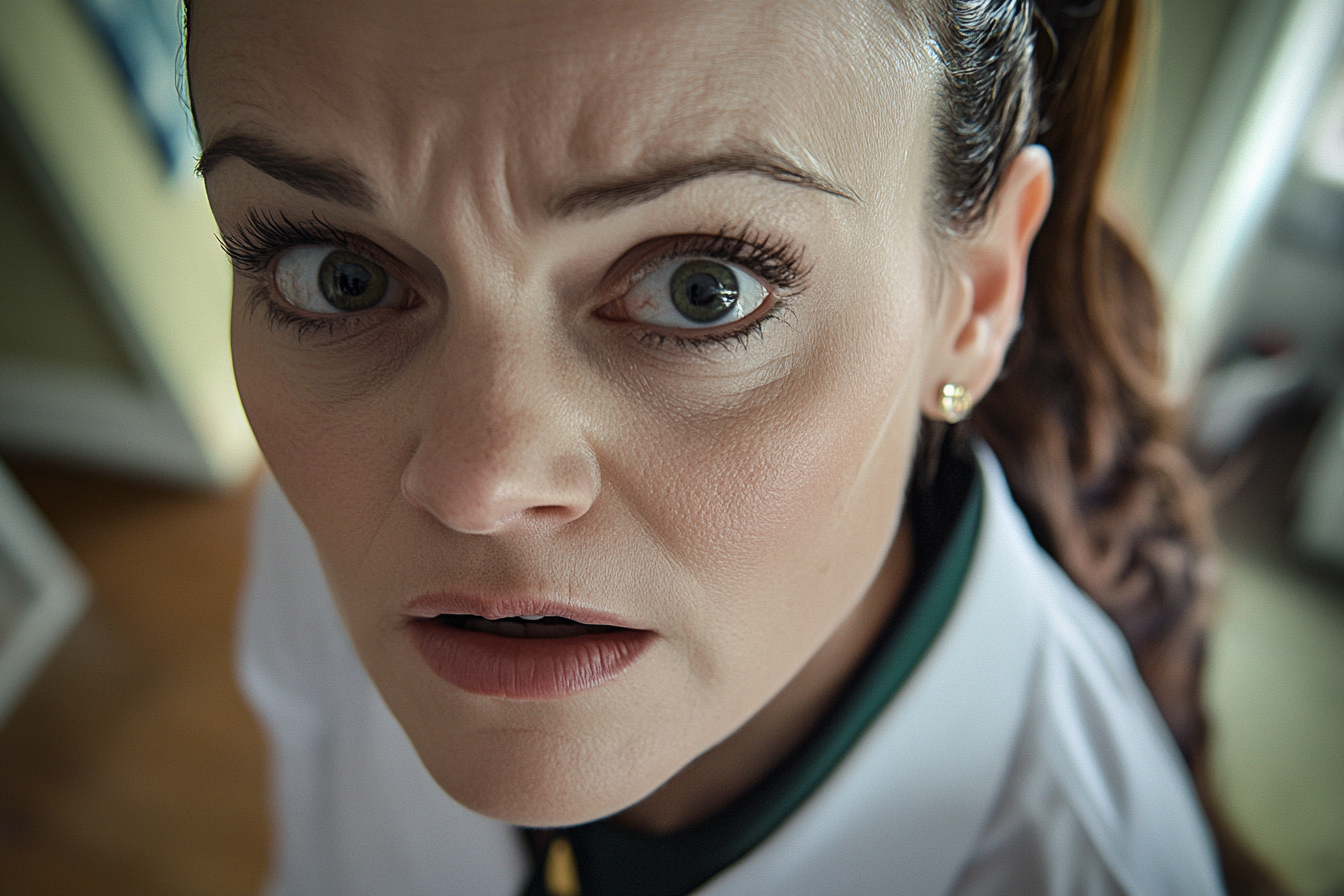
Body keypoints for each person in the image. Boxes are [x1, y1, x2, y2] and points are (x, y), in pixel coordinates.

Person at [185, 0, 1252, 893]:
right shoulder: (318, 521)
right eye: (338, 274)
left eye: (704, 289)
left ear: (971, 300)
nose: (475, 486)